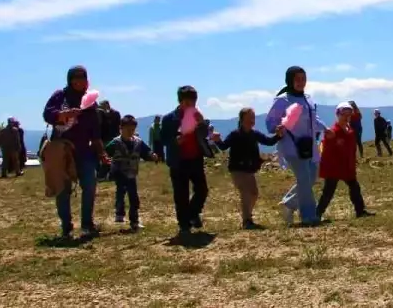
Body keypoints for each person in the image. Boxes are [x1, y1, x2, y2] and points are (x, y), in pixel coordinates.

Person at [42, 65, 108, 238]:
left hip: (83, 150)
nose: (79, 81)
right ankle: (66, 227)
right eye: (75, 78)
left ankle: (87, 224)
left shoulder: (90, 103)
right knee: (63, 189)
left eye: (83, 78)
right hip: (62, 149)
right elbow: (47, 114)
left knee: (90, 184)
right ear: (69, 80)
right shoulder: (60, 96)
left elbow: (95, 133)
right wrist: (63, 114)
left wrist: (101, 153)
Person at [266, 66, 326, 227]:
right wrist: (277, 128)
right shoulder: (282, 100)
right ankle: (308, 216)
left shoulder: (308, 98)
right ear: (290, 80)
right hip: (291, 146)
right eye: (297, 79)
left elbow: (314, 120)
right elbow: (270, 122)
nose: (301, 82)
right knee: (304, 180)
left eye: (303, 79)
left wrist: (326, 129)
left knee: (312, 177)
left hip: (310, 146)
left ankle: (288, 204)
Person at [217, 107, 281, 230]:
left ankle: (247, 216)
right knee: (246, 192)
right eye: (249, 117)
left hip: (250, 169)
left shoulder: (254, 134)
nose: (252, 120)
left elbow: (268, 141)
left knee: (254, 193)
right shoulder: (235, 134)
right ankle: (247, 220)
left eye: (253, 117)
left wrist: (278, 135)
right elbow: (224, 146)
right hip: (237, 169)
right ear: (242, 119)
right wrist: (217, 140)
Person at [160, 85, 211, 235]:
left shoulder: (197, 115)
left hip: (195, 158)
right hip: (178, 160)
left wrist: (202, 124)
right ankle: (184, 224)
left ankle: (193, 214)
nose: (191, 106)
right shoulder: (169, 119)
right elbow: (163, 139)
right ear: (181, 101)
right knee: (180, 194)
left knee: (202, 190)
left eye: (194, 102)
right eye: (188, 103)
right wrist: (175, 141)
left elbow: (204, 135)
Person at [317, 103, 374, 221]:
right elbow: (326, 148)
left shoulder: (350, 130)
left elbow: (352, 148)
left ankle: (360, 211)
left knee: (354, 187)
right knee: (328, 192)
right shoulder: (333, 131)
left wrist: (353, 161)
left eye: (349, 114)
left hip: (347, 166)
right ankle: (317, 214)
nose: (347, 117)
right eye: (344, 114)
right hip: (334, 167)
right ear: (338, 114)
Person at [106, 115, 156, 230]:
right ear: (121, 128)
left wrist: (151, 155)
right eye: (127, 129)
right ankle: (119, 213)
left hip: (132, 173)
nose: (130, 132)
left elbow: (146, 151)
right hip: (119, 173)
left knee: (134, 197)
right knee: (121, 192)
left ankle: (134, 221)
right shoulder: (115, 143)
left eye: (132, 130)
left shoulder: (138, 142)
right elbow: (105, 153)